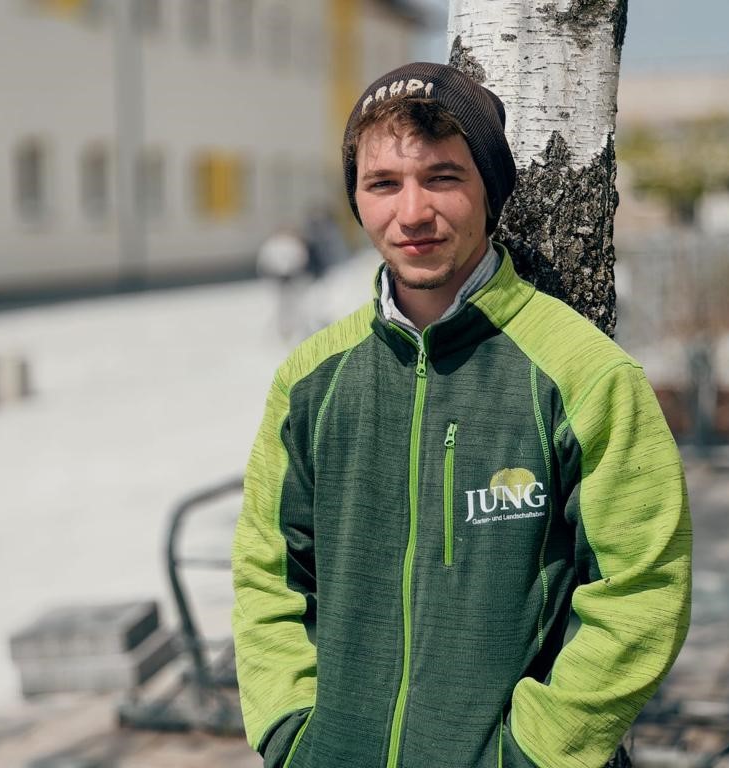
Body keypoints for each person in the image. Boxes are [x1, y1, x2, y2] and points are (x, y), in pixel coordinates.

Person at [232, 62, 691, 768]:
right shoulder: (310, 380)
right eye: (383, 184)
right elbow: (268, 577)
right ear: (356, 199)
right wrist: (293, 736)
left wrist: (532, 754)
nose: (413, 212)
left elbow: (643, 589)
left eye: (442, 177)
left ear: (489, 191)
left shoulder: (585, 376)